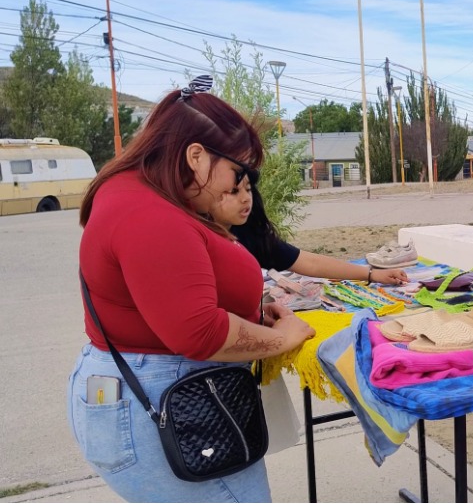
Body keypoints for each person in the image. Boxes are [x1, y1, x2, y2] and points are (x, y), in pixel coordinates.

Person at [72, 76, 316, 502]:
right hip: (167, 400)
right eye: (237, 172)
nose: (242, 185)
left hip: (145, 389)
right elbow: (199, 332)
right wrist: (280, 339)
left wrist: (254, 311)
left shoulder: (134, 191)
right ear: (197, 156)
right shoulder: (151, 216)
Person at [212, 179, 408, 285]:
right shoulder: (194, 239)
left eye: (248, 188)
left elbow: (308, 263)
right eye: (235, 191)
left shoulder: (250, 235)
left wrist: (372, 274)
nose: (246, 198)